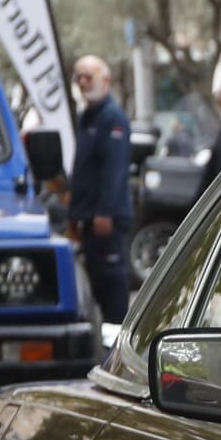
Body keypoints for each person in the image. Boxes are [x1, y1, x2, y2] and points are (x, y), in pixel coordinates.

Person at [68, 56, 136, 325]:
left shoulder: (112, 118)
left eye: (89, 76)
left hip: (105, 221)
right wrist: (75, 213)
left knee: (111, 284)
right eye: (79, 77)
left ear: (105, 81)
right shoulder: (87, 116)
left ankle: (116, 343)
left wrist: (105, 212)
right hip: (88, 218)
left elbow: (115, 170)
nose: (83, 82)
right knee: (95, 281)